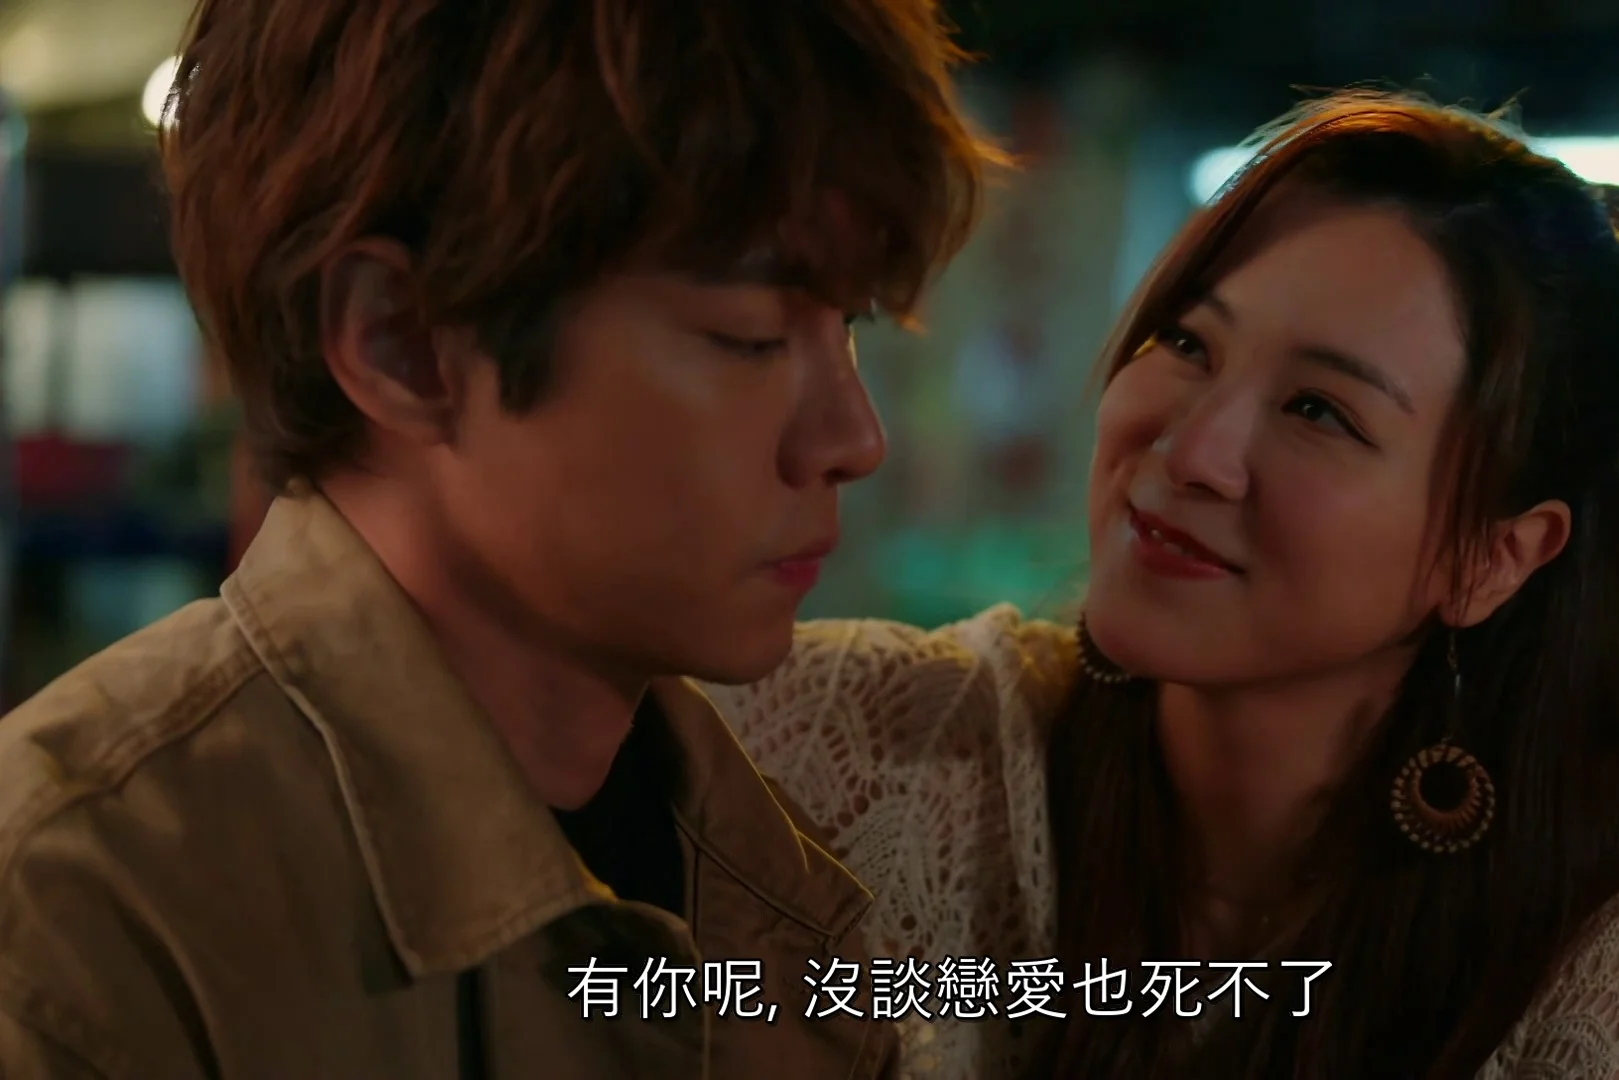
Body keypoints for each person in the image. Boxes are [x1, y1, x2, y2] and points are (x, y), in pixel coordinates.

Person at [0, 1, 998, 1077]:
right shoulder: (81, 922)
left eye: (847, 324)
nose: (853, 439)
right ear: (401, 340)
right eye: (750, 337)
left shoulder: (773, 873)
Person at [706, 91, 1619, 1078]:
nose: (1190, 450)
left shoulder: (1595, 881)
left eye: (1319, 411)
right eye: (1189, 343)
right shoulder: (852, 737)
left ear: (1494, 557)